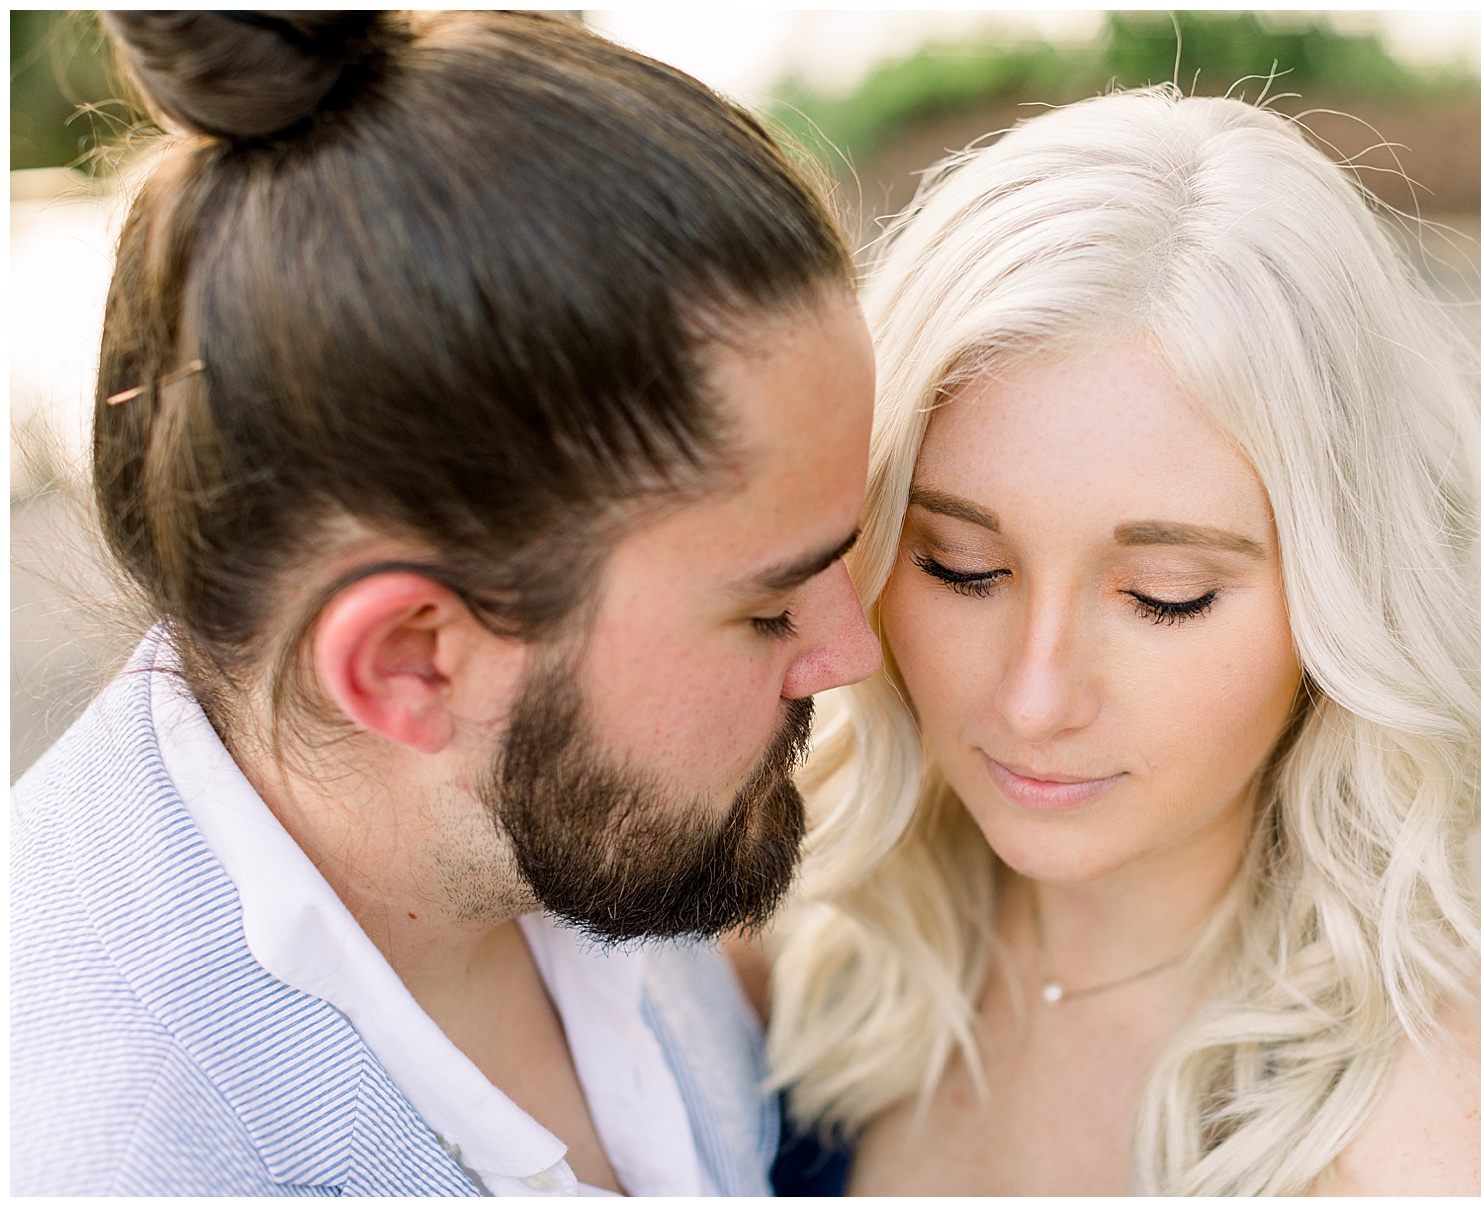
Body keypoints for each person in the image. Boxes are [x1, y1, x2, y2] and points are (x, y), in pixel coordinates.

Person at [12, 10, 881, 1197]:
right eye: (770, 609)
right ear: (412, 663)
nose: (854, 649)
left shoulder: (580, 814)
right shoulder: (113, 1154)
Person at [763, 90, 1481, 1195]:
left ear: (1339, 599)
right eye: (961, 565)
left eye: (1165, 595)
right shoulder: (799, 937)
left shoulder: (1441, 1133)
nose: (1035, 698)